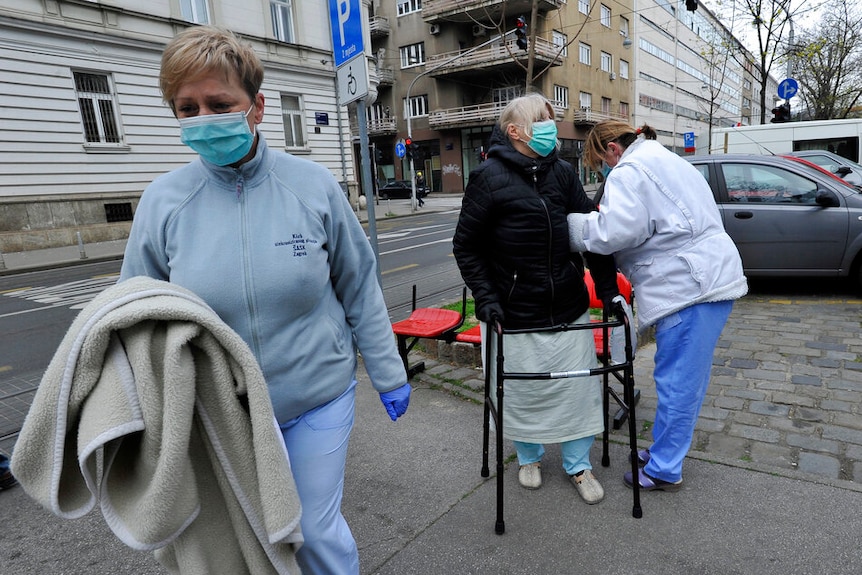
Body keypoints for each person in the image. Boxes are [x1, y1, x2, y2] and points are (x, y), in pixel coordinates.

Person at [119, 26, 411, 574]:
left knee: (313, 527)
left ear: (256, 107)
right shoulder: (162, 204)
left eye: (219, 103)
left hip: (317, 394)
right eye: (187, 107)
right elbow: (135, 312)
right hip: (223, 410)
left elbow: (358, 283)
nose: (203, 117)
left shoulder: (314, 186)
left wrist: (388, 370)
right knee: (249, 532)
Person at [453, 94, 621, 504]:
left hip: (567, 303)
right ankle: (528, 456)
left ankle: (578, 464)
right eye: (543, 118)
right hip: (515, 310)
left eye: (551, 116)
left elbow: (591, 236)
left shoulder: (562, 173)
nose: (551, 123)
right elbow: (467, 246)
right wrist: (486, 299)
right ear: (515, 131)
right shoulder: (488, 177)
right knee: (524, 394)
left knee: (575, 391)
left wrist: (610, 292)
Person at [568, 121, 748, 491]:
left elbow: (615, 231)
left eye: (598, 162)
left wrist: (571, 227)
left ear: (612, 150)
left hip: (690, 286)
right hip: (702, 278)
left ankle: (666, 468)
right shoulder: (663, 158)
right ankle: (665, 450)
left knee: (678, 383)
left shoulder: (629, 172)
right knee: (682, 379)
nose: (601, 171)